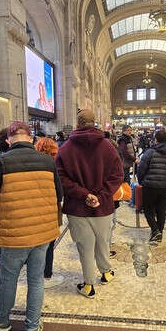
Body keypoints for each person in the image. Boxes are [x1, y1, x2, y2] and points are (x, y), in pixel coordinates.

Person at [0, 122, 62, 331]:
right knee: (36, 280)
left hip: (15, 232)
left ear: (8, 139)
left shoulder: (2, 162)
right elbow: (59, 194)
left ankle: (2, 320)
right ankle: (32, 328)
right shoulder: (47, 161)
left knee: (9, 279)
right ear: (30, 137)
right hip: (43, 232)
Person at [56, 110, 124, 299]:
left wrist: (84, 194)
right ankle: (106, 272)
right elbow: (118, 175)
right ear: (95, 122)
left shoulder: (65, 148)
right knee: (103, 240)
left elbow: (60, 177)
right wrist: (100, 196)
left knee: (85, 246)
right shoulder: (108, 146)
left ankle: (88, 284)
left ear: (77, 124)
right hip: (103, 207)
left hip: (77, 208)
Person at [137, 129, 166, 245]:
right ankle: (159, 232)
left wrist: (142, 181)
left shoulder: (149, 153)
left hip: (150, 186)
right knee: (161, 210)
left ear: (155, 139)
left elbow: (141, 169)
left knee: (148, 209)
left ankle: (155, 230)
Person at [34, 136, 65, 287]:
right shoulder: (55, 165)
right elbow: (59, 193)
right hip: (52, 207)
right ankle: (47, 272)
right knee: (50, 242)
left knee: (37, 241)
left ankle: (36, 271)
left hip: (35, 208)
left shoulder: (32, 164)